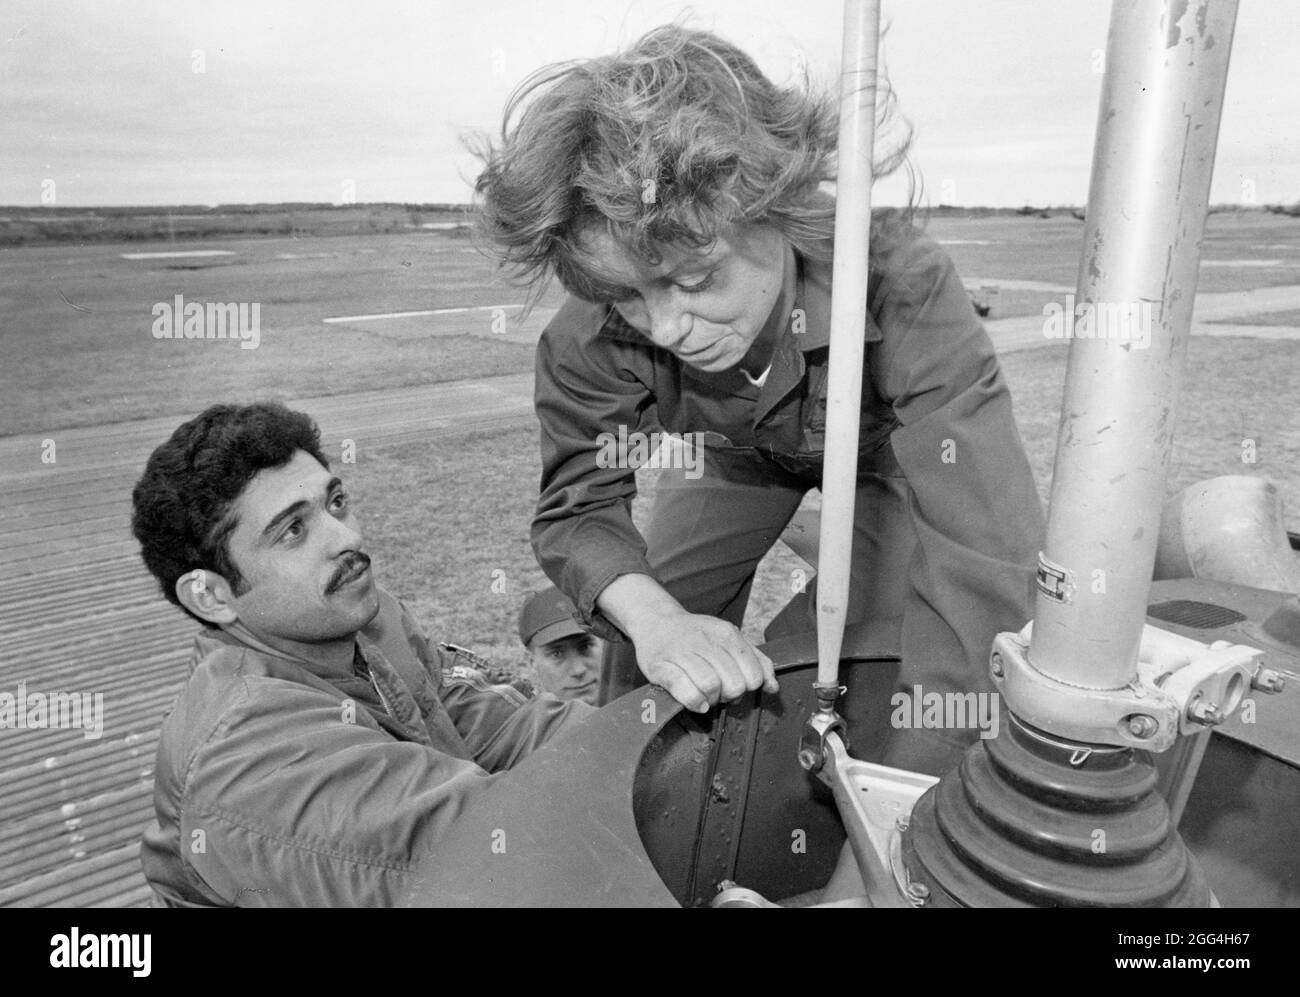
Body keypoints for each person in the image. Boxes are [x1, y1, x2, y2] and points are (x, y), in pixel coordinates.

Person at [473, 25, 1046, 776]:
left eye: (692, 277)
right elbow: (579, 508)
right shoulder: (592, 333)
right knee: (648, 658)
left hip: (882, 462)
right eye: (627, 294)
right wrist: (658, 623)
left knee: (896, 647)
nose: (668, 328)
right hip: (731, 460)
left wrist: (923, 789)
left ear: (776, 203)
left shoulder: (897, 280)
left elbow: (984, 546)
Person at [130, 402, 592, 906]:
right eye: (292, 531)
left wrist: (653, 744)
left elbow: (495, 727)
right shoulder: (249, 760)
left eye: (336, 502)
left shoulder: (360, 622)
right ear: (212, 597)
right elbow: (499, 857)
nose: (347, 537)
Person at [518, 586, 606, 704]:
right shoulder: (526, 722)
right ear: (531, 662)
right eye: (556, 654)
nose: (578, 670)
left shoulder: (637, 706)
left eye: (585, 647)